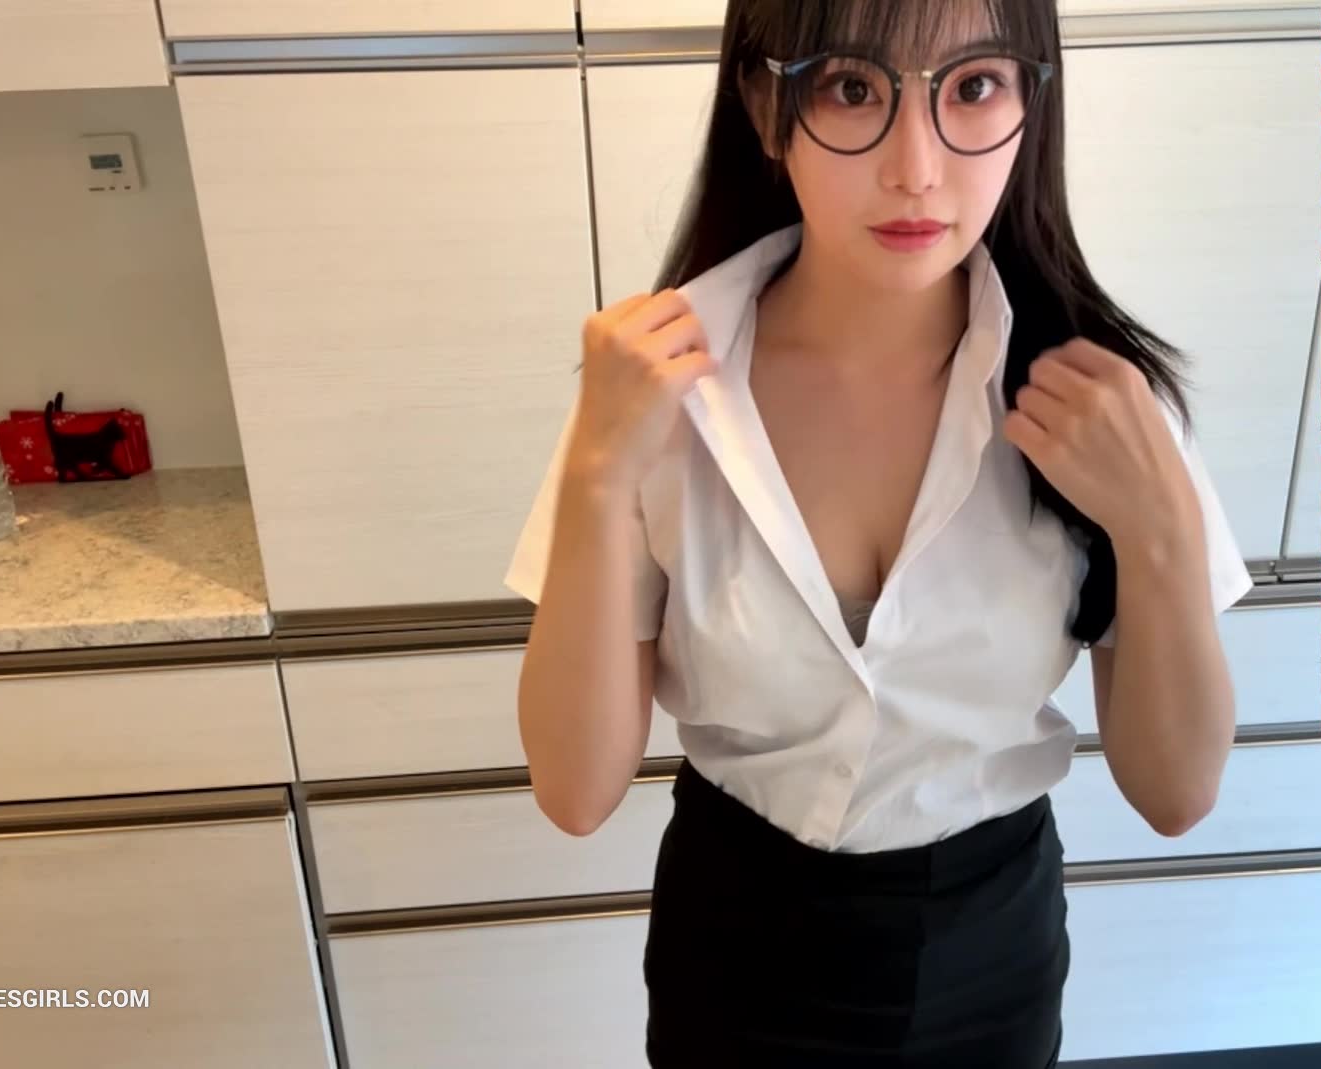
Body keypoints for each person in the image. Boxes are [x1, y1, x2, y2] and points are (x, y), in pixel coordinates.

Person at [504, 0, 1253, 1064]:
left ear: (1032, 105)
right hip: (734, 943)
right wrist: (595, 473)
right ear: (766, 104)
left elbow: (1177, 793)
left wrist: (1160, 530)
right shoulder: (657, 393)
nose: (916, 169)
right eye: (853, 88)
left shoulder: (1099, 406)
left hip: (991, 948)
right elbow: (576, 793)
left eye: (974, 87)